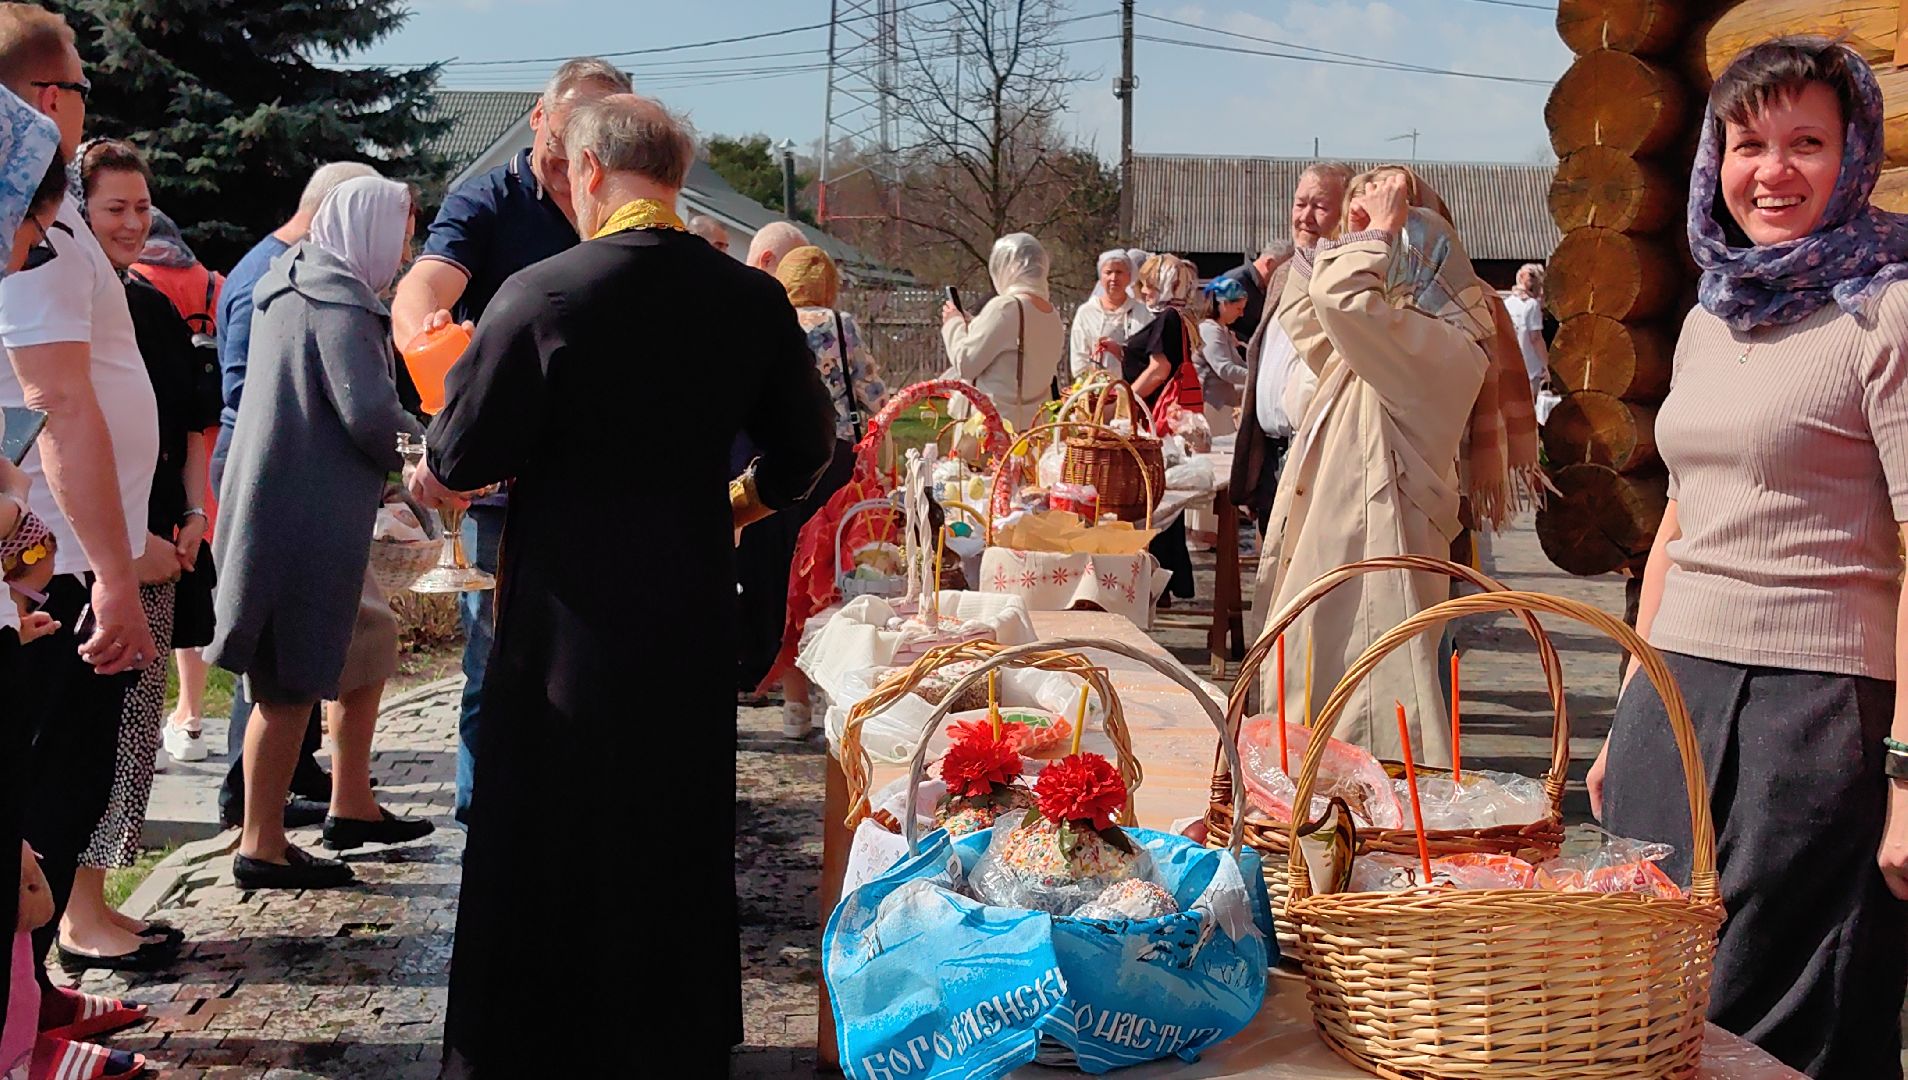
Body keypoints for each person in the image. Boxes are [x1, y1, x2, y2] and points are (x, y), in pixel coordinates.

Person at [406, 93, 836, 1077]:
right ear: (677, 178)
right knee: (670, 819)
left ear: (590, 172)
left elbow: (461, 451)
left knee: (545, 818)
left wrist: (440, 465)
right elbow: (811, 447)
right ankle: (668, 1039)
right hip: (685, 601)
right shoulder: (748, 300)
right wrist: (734, 506)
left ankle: (529, 1038)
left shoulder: (543, 295)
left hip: (561, 612)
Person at [1590, 38, 1908, 1078]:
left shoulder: (1888, 307)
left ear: (1854, 153)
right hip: (1674, 694)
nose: (1772, 171)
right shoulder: (1710, 312)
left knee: (1780, 1023)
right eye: (1749, 144)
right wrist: (1627, 711)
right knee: (1641, 1000)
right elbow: (1680, 522)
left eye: (1807, 143)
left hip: (1818, 716)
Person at [391, 56, 630, 829]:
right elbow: (426, 284)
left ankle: (578, 812)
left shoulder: (624, 196)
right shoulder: (487, 200)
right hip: (499, 484)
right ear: (539, 120)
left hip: (595, 476)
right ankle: (484, 817)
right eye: (561, 147)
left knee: (594, 655)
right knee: (494, 663)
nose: (571, 173)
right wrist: (423, 332)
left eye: (587, 152)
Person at [0, 10, 166, 1070]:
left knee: (45, 791)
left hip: (46, 550)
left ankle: (33, 1005)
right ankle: (25, 1020)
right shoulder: (39, 222)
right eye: (78, 86)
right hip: (48, 565)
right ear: (48, 98)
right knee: (40, 794)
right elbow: (58, 400)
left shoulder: (43, 223)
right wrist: (108, 571)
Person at [208, 175, 434, 891]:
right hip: (305, 517)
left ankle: (276, 832)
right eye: (400, 236)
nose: (403, 254)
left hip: (279, 506)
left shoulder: (292, 281)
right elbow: (369, 415)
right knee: (289, 686)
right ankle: (262, 845)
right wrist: (435, 451)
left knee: (290, 678)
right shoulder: (339, 300)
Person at [1251, 166, 1497, 763]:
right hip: (1332, 563)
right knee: (1311, 719)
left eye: (1388, 251)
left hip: (1372, 573)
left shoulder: (1447, 350)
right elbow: (1313, 314)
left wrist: (1384, 228)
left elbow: (1341, 300)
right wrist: (1343, 238)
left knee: (1367, 736)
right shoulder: (1375, 347)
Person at [55, 138, 218, 974]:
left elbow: (192, 419)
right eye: (114, 207)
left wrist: (193, 512)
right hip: (104, 551)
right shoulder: (61, 302)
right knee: (98, 731)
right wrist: (125, 544)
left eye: (142, 205)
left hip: (163, 537)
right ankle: (77, 916)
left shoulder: (150, 304)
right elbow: (66, 427)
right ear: (79, 212)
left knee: (136, 727)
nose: (132, 221)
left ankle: (95, 896)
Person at [212, 159, 379, 830]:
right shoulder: (300, 279)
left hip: (284, 475)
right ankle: (251, 812)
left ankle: (288, 797)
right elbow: (276, 394)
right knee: (275, 667)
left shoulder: (290, 270)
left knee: (298, 661)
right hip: (279, 478)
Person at [747, 245, 888, 736]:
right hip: (835, 465)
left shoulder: (770, 320)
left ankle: (793, 706)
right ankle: (836, 696)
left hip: (778, 465)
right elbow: (875, 396)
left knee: (786, 576)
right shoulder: (840, 324)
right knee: (831, 577)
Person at [130, 208, 223, 763]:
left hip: (164, 465)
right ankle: (190, 715)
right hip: (202, 453)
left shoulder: (140, 290)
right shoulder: (211, 281)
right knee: (186, 580)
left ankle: (152, 730)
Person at [1233, 177, 1332, 538]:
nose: (1305, 216)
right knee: (1271, 576)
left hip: (1315, 460)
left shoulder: (1350, 279)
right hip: (1273, 456)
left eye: (1320, 206)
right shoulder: (1284, 274)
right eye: (1299, 203)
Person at [1125, 253, 1202, 601]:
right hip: (1163, 420)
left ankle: (1157, 581)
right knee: (1162, 504)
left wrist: (1123, 397)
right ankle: (1170, 582)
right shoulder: (1180, 317)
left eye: (1148, 284)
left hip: (1154, 419)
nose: (1142, 291)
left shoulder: (1168, 317)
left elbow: (1159, 367)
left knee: (1152, 503)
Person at [940, 232, 1064, 433]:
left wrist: (953, 323)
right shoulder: (1052, 315)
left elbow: (966, 362)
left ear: (1009, 267)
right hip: (1035, 430)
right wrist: (974, 324)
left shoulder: (1005, 307)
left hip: (995, 428)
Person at [1067, 249, 1150, 382]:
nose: (1113, 278)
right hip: (1095, 391)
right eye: (1108, 272)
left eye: (1119, 272)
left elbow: (1148, 357)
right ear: (1101, 276)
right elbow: (1079, 358)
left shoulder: (1142, 313)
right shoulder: (1086, 313)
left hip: (1133, 390)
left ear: (1129, 276)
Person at [1191, 275, 1251, 437]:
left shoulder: (1221, 330)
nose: (1242, 314)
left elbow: (1239, 366)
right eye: (1238, 309)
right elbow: (1225, 369)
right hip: (1211, 405)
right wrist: (1257, 378)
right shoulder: (1210, 330)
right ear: (1224, 304)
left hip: (1221, 403)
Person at [1217, 240, 1285, 340]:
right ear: (1269, 263)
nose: (1285, 277)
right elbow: (1221, 325)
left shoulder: (1265, 287)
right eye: (1284, 270)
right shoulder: (1234, 281)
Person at [1504, 262, 1548, 402]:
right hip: (1529, 368)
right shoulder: (1531, 305)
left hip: (1509, 365)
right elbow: (1535, 339)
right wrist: (1547, 366)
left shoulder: (1507, 303)